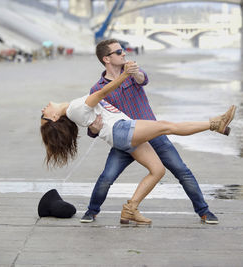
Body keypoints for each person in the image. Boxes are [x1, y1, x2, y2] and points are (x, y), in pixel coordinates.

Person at [40, 62, 236, 225]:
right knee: (168, 126)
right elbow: (101, 93)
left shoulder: (75, 110)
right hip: (123, 130)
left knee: (158, 170)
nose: (43, 108)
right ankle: (215, 124)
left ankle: (130, 209)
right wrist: (124, 75)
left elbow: (101, 108)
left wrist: (128, 74)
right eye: (44, 115)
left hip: (124, 133)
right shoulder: (74, 108)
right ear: (56, 117)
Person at [80, 39, 225, 225]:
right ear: (106, 59)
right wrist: (94, 129)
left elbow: (143, 79)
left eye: (122, 50)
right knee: (107, 178)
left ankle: (204, 211)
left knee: (182, 171)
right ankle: (92, 211)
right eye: (118, 52)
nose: (123, 54)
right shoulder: (98, 89)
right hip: (126, 140)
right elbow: (93, 123)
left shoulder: (132, 72)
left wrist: (135, 73)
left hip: (152, 133)